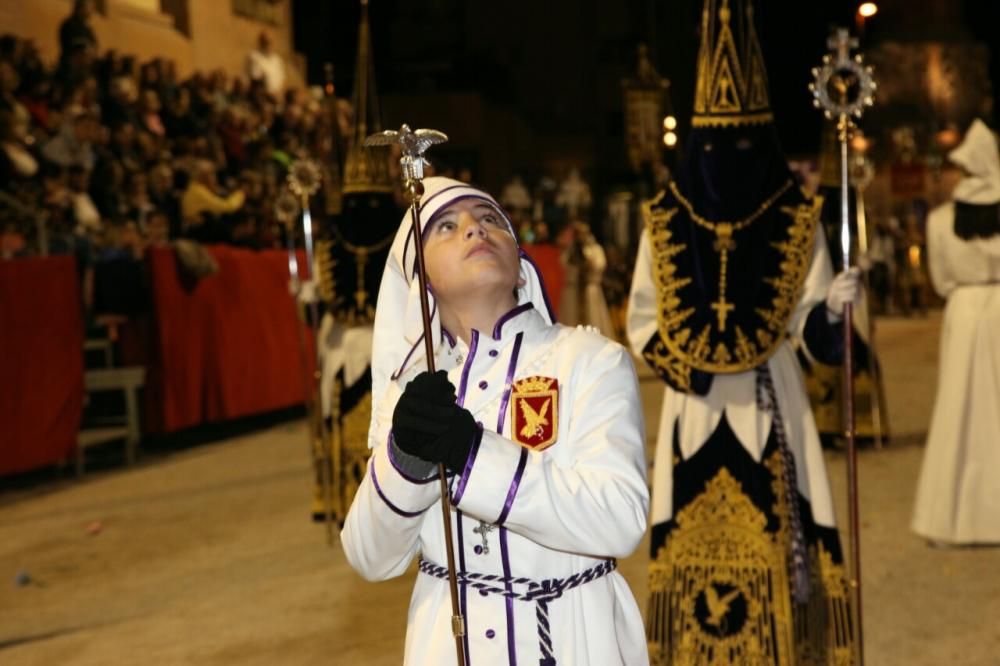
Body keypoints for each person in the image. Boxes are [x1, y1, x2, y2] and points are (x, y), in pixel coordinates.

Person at [626, 1, 860, 662]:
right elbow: (643, 321)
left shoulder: (796, 219)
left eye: (745, 146)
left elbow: (814, 333)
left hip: (770, 397)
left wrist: (832, 313)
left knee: (780, 527)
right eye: (718, 147)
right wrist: (697, 371)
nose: (731, 162)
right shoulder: (665, 221)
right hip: (694, 410)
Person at [341, 177, 649, 665]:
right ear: (420, 280)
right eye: (446, 225)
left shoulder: (590, 361)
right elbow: (370, 557)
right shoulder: (414, 395)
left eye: (490, 220)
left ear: (520, 268)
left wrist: (474, 454)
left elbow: (620, 518)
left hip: (572, 638)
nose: (473, 230)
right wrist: (406, 459)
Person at [911, 118, 1000, 545]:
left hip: (963, 309)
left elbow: (941, 278)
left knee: (958, 409)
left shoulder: (942, 218)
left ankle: (951, 516)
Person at [245, 32, 286, 99]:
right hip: (261, 98)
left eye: (271, 42)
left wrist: (278, 94)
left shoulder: (277, 60)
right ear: (260, 42)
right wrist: (268, 95)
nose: (268, 45)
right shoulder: (254, 57)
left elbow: (282, 80)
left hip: (276, 97)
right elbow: (255, 81)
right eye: (266, 42)